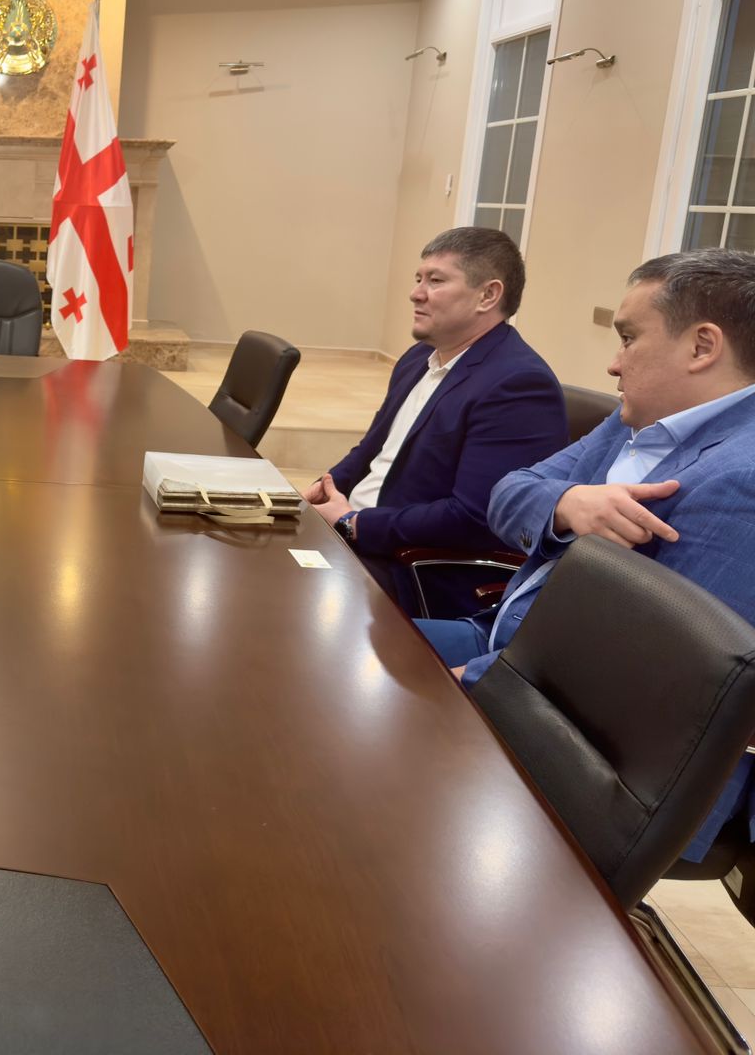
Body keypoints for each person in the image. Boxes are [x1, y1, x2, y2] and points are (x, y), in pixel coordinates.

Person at [420, 247, 755, 862]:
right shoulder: (639, 419)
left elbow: (658, 673)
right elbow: (508, 492)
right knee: (333, 660)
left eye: (628, 338)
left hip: (601, 753)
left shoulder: (743, 477)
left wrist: (480, 681)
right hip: (509, 650)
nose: (613, 363)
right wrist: (566, 503)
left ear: (702, 347)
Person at [304, 227, 567, 617]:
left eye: (436, 280)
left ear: (488, 295)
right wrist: (320, 491)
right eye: (418, 278)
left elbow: (474, 517)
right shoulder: (418, 359)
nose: (416, 293)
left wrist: (353, 524)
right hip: (359, 535)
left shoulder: (518, 384)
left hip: (415, 569)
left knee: (288, 606)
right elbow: (370, 451)